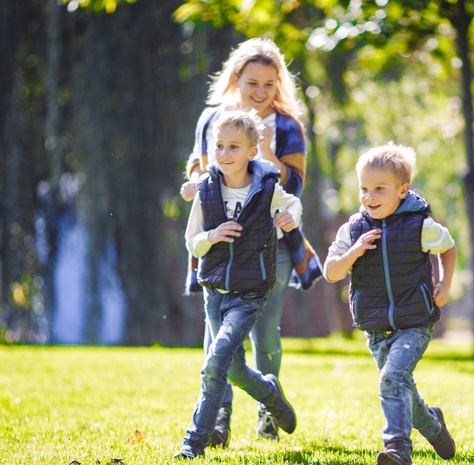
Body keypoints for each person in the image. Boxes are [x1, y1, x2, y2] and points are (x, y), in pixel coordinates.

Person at [179, 37, 319, 444]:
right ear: (235, 79)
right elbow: (197, 164)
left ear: (279, 86)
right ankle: (219, 422)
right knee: (216, 337)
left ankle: (268, 415)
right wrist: (193, 184)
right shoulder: (211, 120)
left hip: (267, 246)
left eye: (269, 85)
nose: (259, 93)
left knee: (265, 331)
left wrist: (265, 150)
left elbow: (294, 184)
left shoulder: (288, 126)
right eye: (251, 83)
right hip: (220, 242)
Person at [173, 109, 301, 459]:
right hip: (214, 292)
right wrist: (212, 236)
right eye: (219, 146)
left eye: (233, 147)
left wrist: (290, 218)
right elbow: (192, 241)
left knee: (215, 362)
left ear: (251, 152)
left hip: (250, 293)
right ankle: (271, 393)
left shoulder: (266, 188)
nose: (224, 154)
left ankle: (193, 442)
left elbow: (293, 204)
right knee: (233, 368)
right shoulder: (206, 189)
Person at [323, 143, 457, 465]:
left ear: (402, 190)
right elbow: (330, 272)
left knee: (391, 379)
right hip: (377, 328)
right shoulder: (352, 229)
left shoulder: (419, 225)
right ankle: (434, 425)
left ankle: (398, 449)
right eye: (364, 189)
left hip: (415, 322)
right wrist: (353, 252)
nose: (370, 196)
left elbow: (448, 247)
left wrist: (444, 283)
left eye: (379, 189)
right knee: (400, 386)